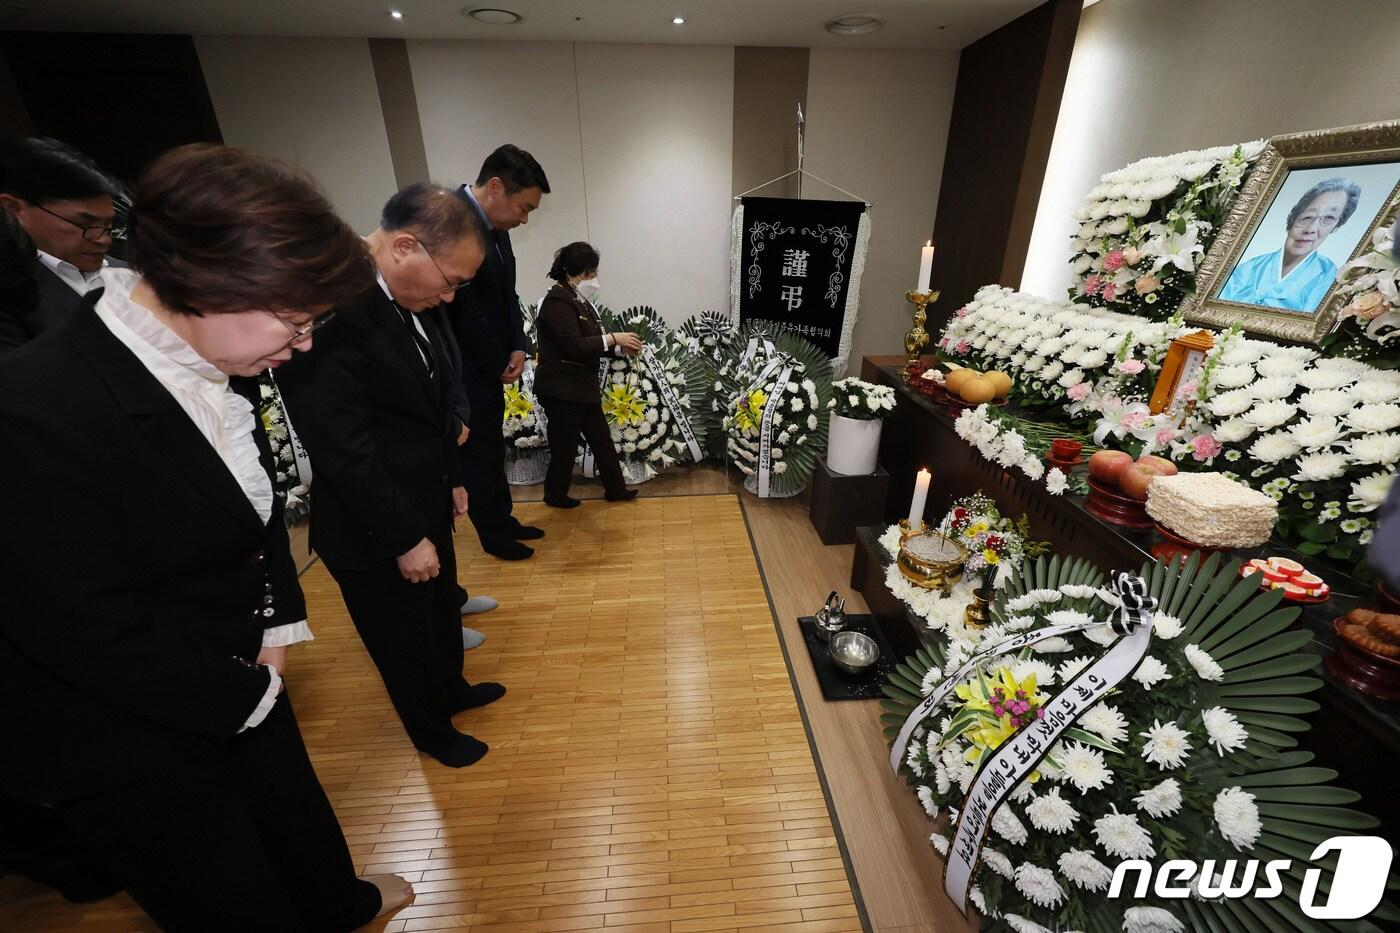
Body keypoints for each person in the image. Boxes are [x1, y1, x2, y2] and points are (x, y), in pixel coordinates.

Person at [0, 143, 412, 930]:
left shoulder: (221, 363)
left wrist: (275, 631)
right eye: (296, 320)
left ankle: (336, 903)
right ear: (213, 283)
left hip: (240, 668)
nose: (306, 343)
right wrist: (245, 689)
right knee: (229, 897)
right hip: (130, 727)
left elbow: (251, 515)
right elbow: (79, 626)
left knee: (294, 826)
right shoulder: (31, 408)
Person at [277, 183, 506, 769]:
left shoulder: (411, 303)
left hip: (424, 496)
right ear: (406, 246)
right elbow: (343, 450)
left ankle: (452, 692)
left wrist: (452, 477)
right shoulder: (329, 314)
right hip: (374, 527)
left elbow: (431, 401)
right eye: (450, 281)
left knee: (436, 618)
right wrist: (404, 536)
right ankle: (432, 733)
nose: (451, 297)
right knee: (402, 641)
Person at [450, 144, 549, 561]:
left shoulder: (497, 227)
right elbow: (464, 309)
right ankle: (492, 533)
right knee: (478, 452)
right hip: (464, 366)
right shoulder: (452, 223)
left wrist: (518, 345)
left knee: (492, 446)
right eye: (523, 207)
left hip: (491, 359)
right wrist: (496, 360)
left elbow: (507, 293)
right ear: (495, 187)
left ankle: (503, 519)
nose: (524, 219)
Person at [535, 241, 642, 507]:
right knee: (565, 447)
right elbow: (573, 345)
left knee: (601, 440)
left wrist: (619, 351)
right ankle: (555, 495)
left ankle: (616, 489)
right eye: (591, 274)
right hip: (562, 389)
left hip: (581, 388)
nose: (594, 280)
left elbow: (592, 344)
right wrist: (613, 337)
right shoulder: (557, 301)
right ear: (575, 273)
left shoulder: (578, 302)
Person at [0, 136, 123, 351]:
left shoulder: (129, 271)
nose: (103, 238)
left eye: (108, 224)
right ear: (13, 209)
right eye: (83, 223)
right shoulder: (10, 296)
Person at [1219, 177, 1361, 313]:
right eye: (1307, 217)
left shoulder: (1328, 276)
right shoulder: (1249, 268)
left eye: (1329, 218)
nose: (1310, 229)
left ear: (1336, 227)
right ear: (1292, 219)